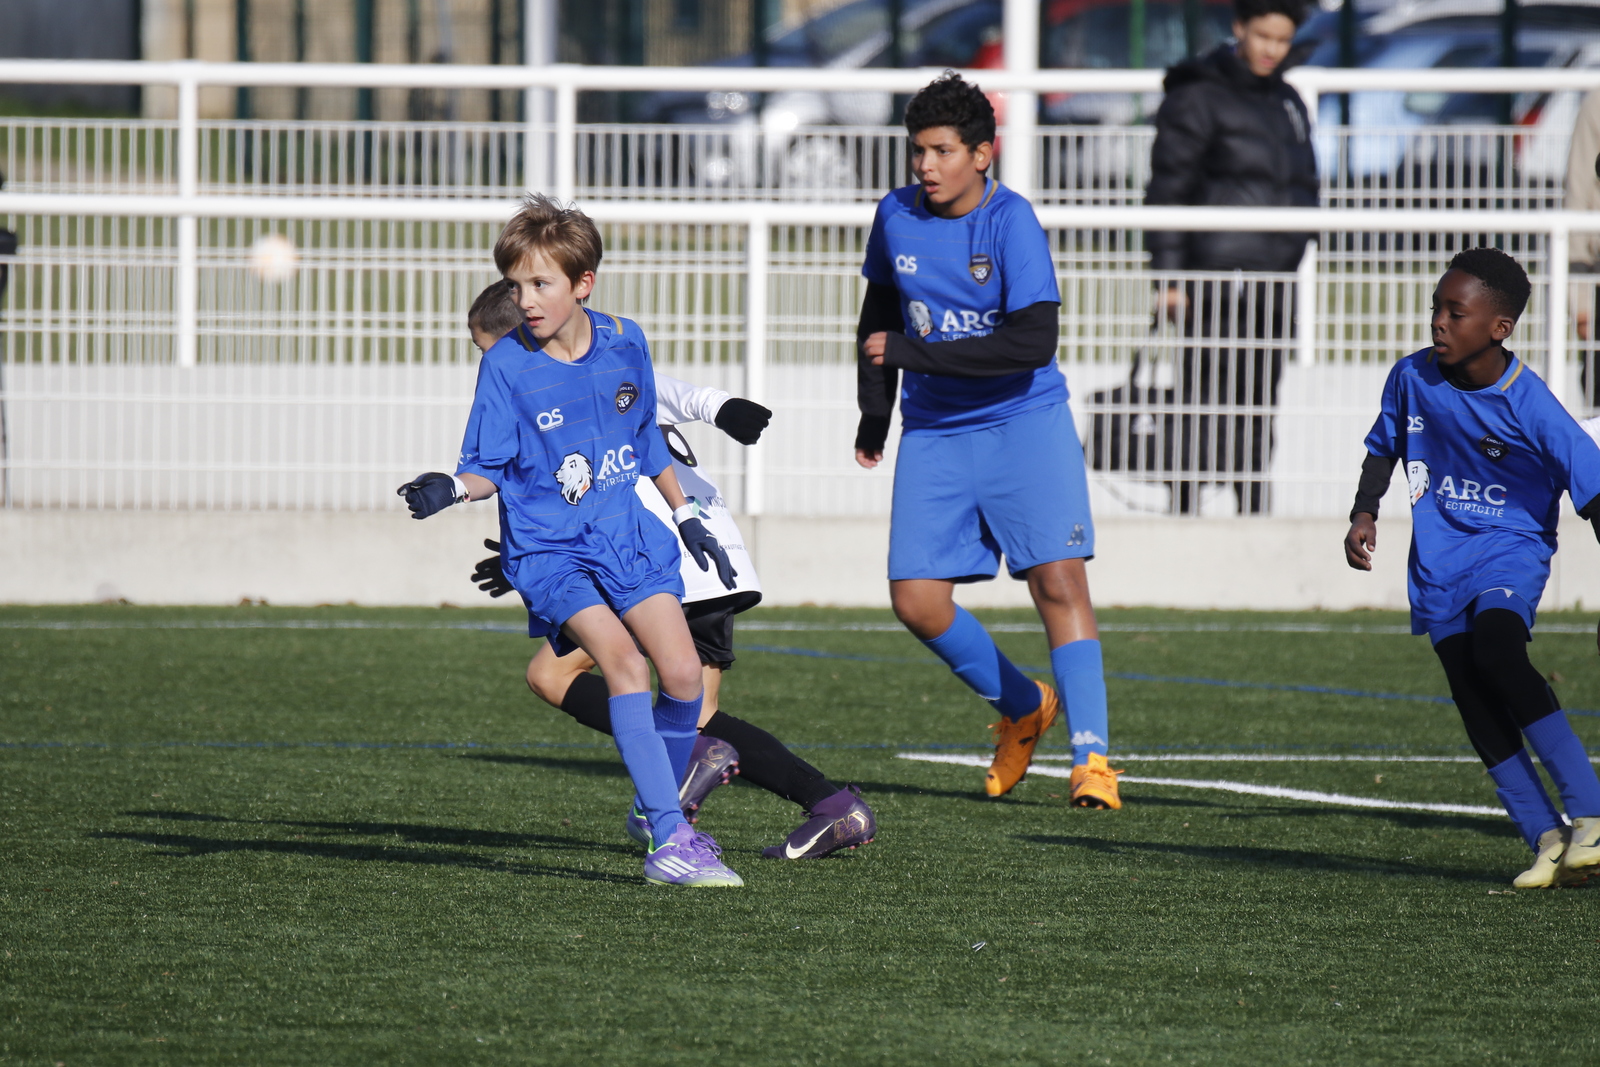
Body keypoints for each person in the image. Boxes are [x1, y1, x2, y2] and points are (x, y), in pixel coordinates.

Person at [397, 194, 745, 887]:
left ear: (583, 283)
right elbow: (486, 466)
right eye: (515, 285)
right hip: (549, 552)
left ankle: (654, 804)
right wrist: (452, 487)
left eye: (540, 283)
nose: (524, 300)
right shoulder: (506, 366)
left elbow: (645, 439)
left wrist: (685, 516)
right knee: (625, 664)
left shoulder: (626, 340)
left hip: (627, 535)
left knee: (683, 674)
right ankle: (670, 840)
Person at [463, 281, 876, 860]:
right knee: (697, 712)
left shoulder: (557, 381)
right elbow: (679, 397)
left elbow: (580, 488)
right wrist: (723, 408)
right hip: (718, 554)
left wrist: (534, 558)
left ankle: (685, 783)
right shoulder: (610, 362)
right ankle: (833, 805)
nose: (490, 369)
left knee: (552, 676)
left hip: (651, 556)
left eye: (489, 351)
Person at [854, 71, 1122, 809]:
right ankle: (1025, 706)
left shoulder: (1012, 221)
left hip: (1023, 424)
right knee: (916, 601)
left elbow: (1032, 342)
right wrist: (874, 413)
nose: (925, 166)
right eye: (918, 151)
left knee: (1058, 581)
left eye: (941, 151)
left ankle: (1093, 760)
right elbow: (878, 320)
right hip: (936, 432)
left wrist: (914, 356)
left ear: (982, 154)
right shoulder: (895, 215)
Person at [1343, 247, 1600, 889]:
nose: (1439, 321)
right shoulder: (1411, 376)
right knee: (1468, 687)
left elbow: (1592, 485)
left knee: (1498, 652)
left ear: (1499, 327)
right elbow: (1384, 445)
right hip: (1440, 558)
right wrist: (1364, 513)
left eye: (1455, 313)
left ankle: (1592, 814)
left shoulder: (1529, 402)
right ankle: (1545, 836)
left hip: (1509, 547)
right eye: (1437, 308)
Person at [1142, 0, 1317, 514]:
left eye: (1282, 40)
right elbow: (1168, 190)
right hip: (1212, 276)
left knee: (1260, 398)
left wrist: (1296, 248)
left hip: (1273, 278)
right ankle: (1185, 507)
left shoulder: (1287, 99)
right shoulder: (1197, 96)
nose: (1271, 50)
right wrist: (1168, 279)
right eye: (1263, 36)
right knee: (1202, 395)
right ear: (1239, 28)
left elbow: (1304, 181)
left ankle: (1253, 508)